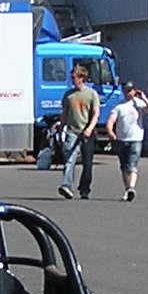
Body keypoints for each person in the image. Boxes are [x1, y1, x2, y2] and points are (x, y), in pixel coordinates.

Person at [103, 81, 148, 201]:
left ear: (134, 91)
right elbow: (111, 120)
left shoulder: (139, 104)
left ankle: (131, 187)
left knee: (132, 165)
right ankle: (127, 189)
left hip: (136, 139)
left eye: (130, 90)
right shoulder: (118, 106)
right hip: (121, 139)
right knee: (124, 166)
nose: (128, 93)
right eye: (126, 91)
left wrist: (144, 98)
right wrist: (110, 132)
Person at [56, 65, 100, 199]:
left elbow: (95, 113)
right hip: (72, 131)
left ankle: (85, 189)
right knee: (69, 159)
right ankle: (67, 186)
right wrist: (61, 127)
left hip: (87, 132)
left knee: (87, 163)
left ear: (82, 78)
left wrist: (90, 128)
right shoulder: (68, 95)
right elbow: (64, 113)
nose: (72, 80)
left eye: (74, 77)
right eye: (72, 77)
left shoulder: (91, 94)